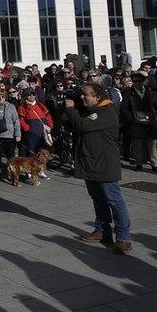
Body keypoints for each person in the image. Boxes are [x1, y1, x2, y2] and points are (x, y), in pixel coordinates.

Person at [63, 83, 133, 254]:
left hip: (105, 164)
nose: (81, 97)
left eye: (85, 95)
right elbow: (69, 124)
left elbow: (83, 126)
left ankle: (123, 238)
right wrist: (69, 109)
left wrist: (71, 110)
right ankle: (102, 231)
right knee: (97, 199)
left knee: (114, 200)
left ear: (97, 96)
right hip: (90, 163)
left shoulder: (107, 112)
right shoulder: (89, 111)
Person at [122, 73, 157, 173]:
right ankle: (139, 164)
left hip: (150, 122)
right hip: (136, 122)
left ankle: (154, 164)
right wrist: (132, 118)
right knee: (137, 145)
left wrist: (156, 117)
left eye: (139, 81)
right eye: (135, 81)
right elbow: (124, 109)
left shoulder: (151, 93)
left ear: (144, 82)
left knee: (152, 144)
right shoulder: (128, 93)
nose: (137, 83)